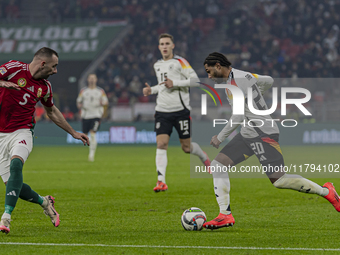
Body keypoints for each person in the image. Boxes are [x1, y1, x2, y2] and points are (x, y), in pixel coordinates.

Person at [202, 52, 340, 230]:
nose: (209, 76)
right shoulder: (245, 76)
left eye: (209, 71)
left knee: (279, 180)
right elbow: (268, 80)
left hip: (263, 133)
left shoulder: (237, 82)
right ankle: (224, 215)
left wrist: (219, 137)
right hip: (248, 132)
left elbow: (238, 115)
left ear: (218, 66)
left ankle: (327, 191)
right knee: (218, 166)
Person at [0, 47, 90, 234]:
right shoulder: (13, 67)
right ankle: (44, 201)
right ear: (43, 64)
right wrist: (2, 83)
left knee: (17, 165)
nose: (55, 71)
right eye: (54, 66)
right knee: (13, 186)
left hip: (22, 132)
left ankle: (6, 218)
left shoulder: (45, 87)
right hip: (1, 135)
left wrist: (73, 132)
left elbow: (51, 111)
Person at [143, 33, 210, 192]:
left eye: (167, 43)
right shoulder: (157, 65)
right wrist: (150, 90)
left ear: (173, 46)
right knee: (161, 144)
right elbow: (162, 85)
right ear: (159, 47)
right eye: (162, 44)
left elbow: (196, 81)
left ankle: (204, 157)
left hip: (181, 111)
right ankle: (161, 181)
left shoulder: (181, 62)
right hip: (162, 111)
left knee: (186, 148)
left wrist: (176, 83)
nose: (165, 46)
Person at [77, 73, 108, 162]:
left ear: (96, 80)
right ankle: (90, 150)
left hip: (96, 115)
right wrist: (80, 106)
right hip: (86, 115)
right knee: (85, 135)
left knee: (93, 133)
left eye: (93, 78)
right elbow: (79, 102)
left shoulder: (100, 91)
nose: (92, 80)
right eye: (90, 78)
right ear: (88, 80)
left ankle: (91, 155)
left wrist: (103, 104)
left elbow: (105, 101)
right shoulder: (83, 91)